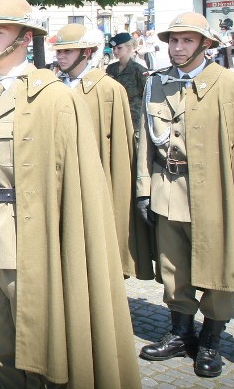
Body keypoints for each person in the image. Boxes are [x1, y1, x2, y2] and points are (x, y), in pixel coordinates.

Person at [0, 0, 140, 388]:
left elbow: (75, 186)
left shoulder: (53, 96)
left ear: (24, 38)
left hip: (31, 243)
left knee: (43, 345)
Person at [135, 12, 234, 378]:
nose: (177, 48)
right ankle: (181, 332)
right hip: (168, 189)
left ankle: (212, 338)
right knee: (173, 269)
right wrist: (143, 190)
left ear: (205, 45)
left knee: (216, 268)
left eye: (186, 41)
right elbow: (145, 142)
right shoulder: (157, 84)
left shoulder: (230, 84)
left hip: (215, 195)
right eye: (173, 41)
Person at [52, 23, 153, 280]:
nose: (60, 56)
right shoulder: (54, 87)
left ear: (87, 52)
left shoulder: (109, 89)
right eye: (59, 51)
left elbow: (120, 153)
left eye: (68, 51)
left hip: (95, 181)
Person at [106, 32, 149, 130]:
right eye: (114, 48)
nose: (115, 51)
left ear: (129, 48)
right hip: (114, 118)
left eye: (119, 48)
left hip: (133, 121)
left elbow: (147, 97)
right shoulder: (110, 69)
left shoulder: (139, 70)